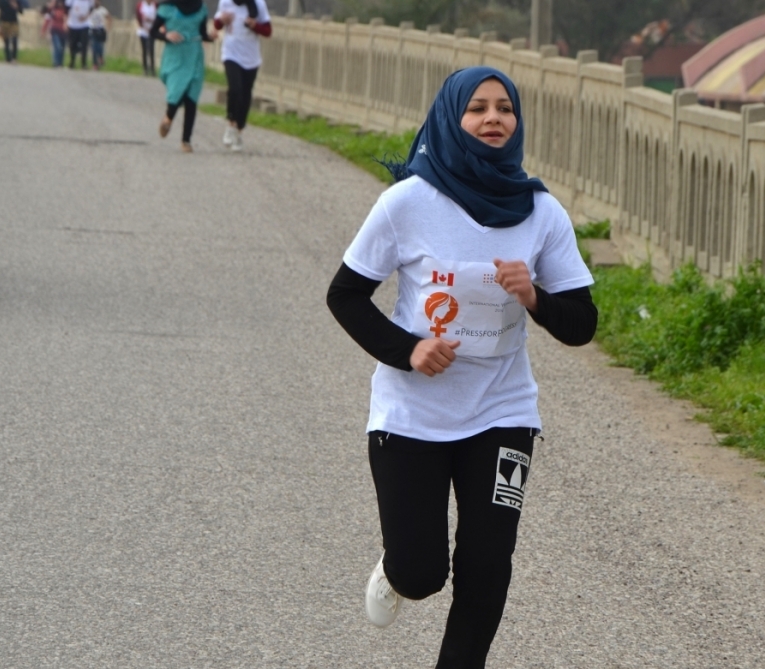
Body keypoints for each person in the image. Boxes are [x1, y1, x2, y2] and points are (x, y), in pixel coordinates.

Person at [325, 66, 597, 668]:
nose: (493, 118)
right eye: (477, 108)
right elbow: (344, 295)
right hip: (412, 413)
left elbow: (582, 324)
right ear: (452, 117)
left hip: (502, 410)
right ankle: (397, 571)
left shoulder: (541, 212)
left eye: (505, 107)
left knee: (487, 563)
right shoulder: (407, 203)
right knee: (421, 573)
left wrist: (535, 298)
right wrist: (408, 349)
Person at [150, 0, 215, 153]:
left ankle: (186, 140)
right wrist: (166, 35)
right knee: (177, 91)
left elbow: (202, 33)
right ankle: (168, 117)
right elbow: (153, 32)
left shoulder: (201, 8)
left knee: (191, 97)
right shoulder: (167, 8)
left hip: (194, 56)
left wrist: (210, 37)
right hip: (176, 56)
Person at [213, 0, 270, 152]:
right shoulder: (226, 2)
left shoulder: (258, 4)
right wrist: (222, 20)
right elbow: (217, 24)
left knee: (245, 94)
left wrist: (255, 26)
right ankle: (231, 123)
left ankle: (239, 130)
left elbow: (268, 31)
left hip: (251, 57)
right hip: (231, 53)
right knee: (235, 88)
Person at [65, 0, 91, 69]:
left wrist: (85, 17)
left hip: (84, 25)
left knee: (84, 45)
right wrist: (66, 22)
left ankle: (84, 64)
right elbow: (67, 9)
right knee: (72, 44)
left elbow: (91, 9)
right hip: (73, 25)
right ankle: (72, 62)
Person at [40, 0, 68, 67]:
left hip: (63, 31)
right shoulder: (52, 10)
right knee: (57, 47)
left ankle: (60, 63)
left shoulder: (65, 10)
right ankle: (55, 62)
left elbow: (68, 19)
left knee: (62, 48)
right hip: (55, 30)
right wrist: (43, 30)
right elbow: (46, 18)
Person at [135, 0, 157, 76]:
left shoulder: (155, 5)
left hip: (152, 30)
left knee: (151, 49)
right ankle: (145, 69)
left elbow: (158, 17)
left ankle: (153, 69)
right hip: (143, 30)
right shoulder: (140, 5)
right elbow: (138, 17)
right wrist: (143, 26)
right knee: (144, 50)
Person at [88, 0, 110, 70]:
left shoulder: (103, 10)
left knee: (100, 46)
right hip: (93, 29)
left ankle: (100, 57)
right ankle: (95, 64)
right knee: (94, 47)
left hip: (101, 29)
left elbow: (109, 18)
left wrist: (107, 27)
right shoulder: (90, 9)